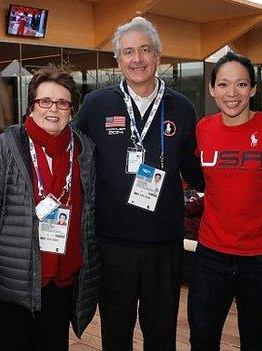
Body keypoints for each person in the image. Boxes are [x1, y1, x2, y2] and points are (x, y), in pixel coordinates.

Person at [74, 17, 204, 350]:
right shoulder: (96, 105)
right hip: (112, 243)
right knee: (115, 334)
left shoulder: (182, 107)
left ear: (158, 56)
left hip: (165, 243)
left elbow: (196, 167)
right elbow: (70, 153)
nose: (137, 59)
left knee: (161, 335)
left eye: (145, 50)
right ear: (118, 61)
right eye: (128, 52)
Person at [0, 65, 99, 351]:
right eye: (45, 101)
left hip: (63, 283)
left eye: (62, 102)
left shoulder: (84, 150)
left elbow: (89, 217)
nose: (53, 109)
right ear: (31, 106)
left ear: (71, 109)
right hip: (14, 286)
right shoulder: (7, 147)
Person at [189, 52, 262, 350]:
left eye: (241, 84)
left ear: (253, 88)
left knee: (254, 341)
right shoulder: (203, 129)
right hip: (210, 254)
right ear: (212, 89)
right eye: (223, 84)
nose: (232, 94)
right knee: (202, 338)